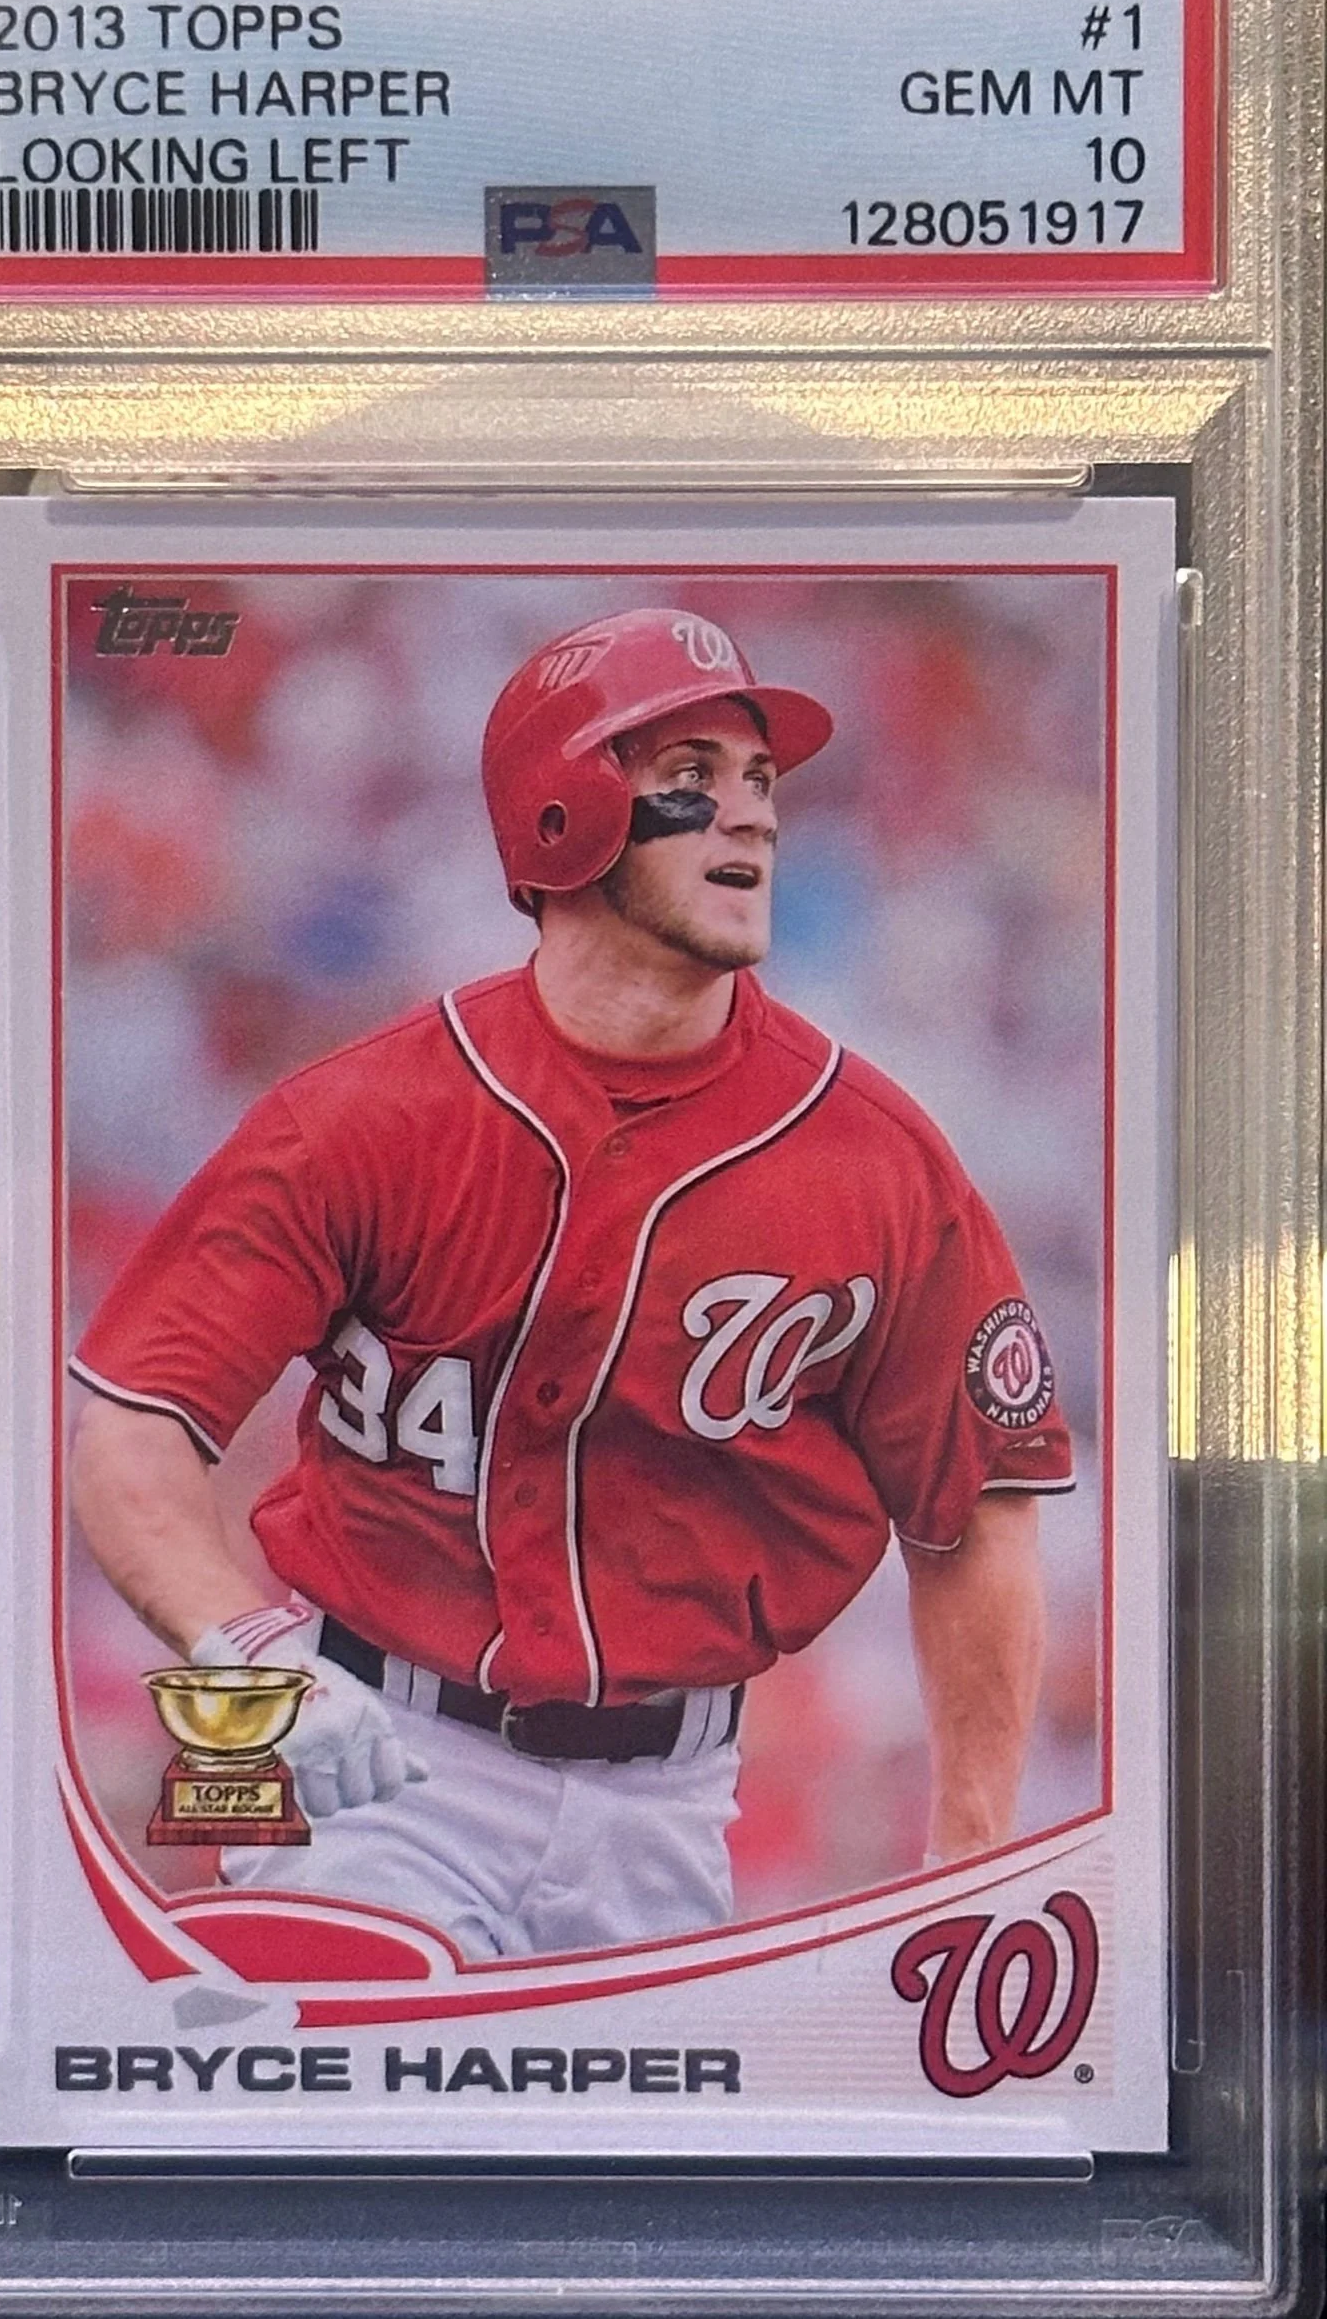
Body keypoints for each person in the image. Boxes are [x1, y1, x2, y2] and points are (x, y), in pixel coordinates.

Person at [70, 605, 1075, 1961]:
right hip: (383, 1763)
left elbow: (976, 1515)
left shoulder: (878, 1161)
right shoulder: (365, 1119)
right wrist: (247, 1649)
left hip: (677, 1806)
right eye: (691, 780)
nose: (753, 814)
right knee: (384, 2078)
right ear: (561, 815)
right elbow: (133, 1429)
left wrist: (970, 1860)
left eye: (761, 780)